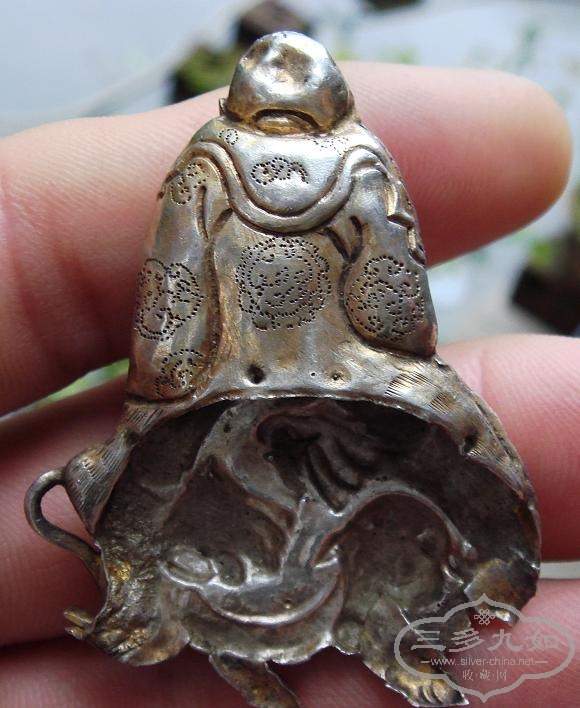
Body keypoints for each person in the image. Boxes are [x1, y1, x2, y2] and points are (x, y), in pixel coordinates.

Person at [0, 59, 577, 707]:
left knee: (155, 496)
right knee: (446, 467)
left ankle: (168, 606)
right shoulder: (361, 162)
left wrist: (163, 393)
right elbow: (391, 307)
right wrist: (391, 364)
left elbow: (176, 295)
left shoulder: (205, 165)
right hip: (356, 383)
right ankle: (427, 611)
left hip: (217, 388)